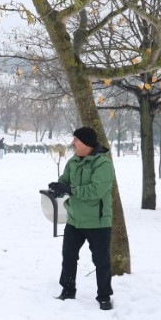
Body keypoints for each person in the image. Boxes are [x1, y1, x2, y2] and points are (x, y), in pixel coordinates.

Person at [48, 126, 115, 310]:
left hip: (98, 222)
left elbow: (97, 190)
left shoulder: (103, 164)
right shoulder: (73, 162)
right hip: (74, 220)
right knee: (68, 256)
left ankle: (104, 297)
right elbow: (65, 180)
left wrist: (70, 190)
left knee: (101, 262)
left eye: (76, 140)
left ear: (86, 143)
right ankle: (68, 290)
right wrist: (59, 187)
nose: (73, 143)